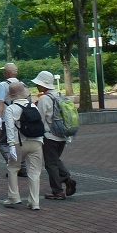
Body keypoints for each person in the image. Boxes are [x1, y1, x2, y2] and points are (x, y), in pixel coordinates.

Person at [32, 70, 76, 200]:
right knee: (55, 160)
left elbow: (40, 119)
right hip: (62, 134)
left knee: (51, 164)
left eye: (38, 84)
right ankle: (67, 180)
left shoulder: (44, 99)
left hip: (49, 136)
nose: (37, 86)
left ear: (43, 85)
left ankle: (57, 191)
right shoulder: (59, 95)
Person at [2, 80, 44, 210]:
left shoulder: (10, 109)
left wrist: (10, 145)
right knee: (35, 172)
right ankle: (34, 202)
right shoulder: (33, 106)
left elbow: (9, 128)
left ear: (11, 95)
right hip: (36, 141)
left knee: (13, 168)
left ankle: (14, 197)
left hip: (18, 142)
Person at [0, 63, 26, 176]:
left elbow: (0, 102)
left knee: (3, 143)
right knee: (20, 142)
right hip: (21, 118)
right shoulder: (22, 84)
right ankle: (23, 167)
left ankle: (13, 165)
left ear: (7, 73)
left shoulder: (3, 85)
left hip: (7, 118)